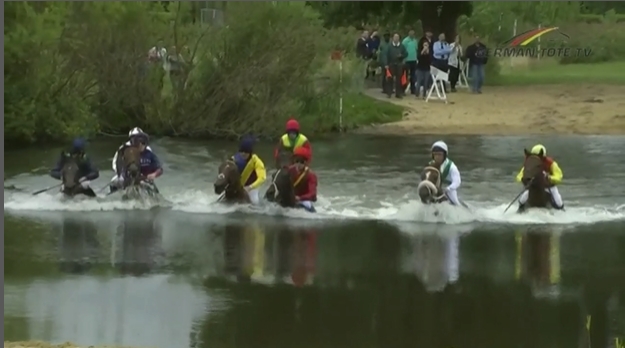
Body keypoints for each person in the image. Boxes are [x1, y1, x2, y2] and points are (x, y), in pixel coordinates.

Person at [109, 127, 163, 193]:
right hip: (126, 175)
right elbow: (115, 163)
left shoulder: (147, 149)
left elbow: (155, 165)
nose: (139, 142)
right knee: (113, 182)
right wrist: (120, 173)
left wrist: (152, 174)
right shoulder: (123, 148)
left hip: (143, 176)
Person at [515, 144, 564, 210]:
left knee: (559, 202)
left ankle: (561, 211)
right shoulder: (530, 164)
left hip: (549, 187)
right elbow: (519, 175)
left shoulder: (551, 164)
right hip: (533, 187)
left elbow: (559, 176)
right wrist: (522, 179)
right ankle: (520, 209)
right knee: (522, 199)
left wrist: (549, 178)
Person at [233, 136, 266, 205]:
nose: (243, 154)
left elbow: (262, 178)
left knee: (255, 202)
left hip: (251, 188)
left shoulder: (257, 162)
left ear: (250, 152)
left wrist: (250, 187)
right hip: (238, 186)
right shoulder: (234, 159)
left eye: (246, 152)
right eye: (241, 151)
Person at [428, 140, 462, 206]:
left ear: (444, 155)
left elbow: (457, 181)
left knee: (455, 202)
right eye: (435, 154)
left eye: (440, 155)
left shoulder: (451, 167)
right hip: (435, 188)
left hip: (449, 190)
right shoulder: (430, 165)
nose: (437, 157)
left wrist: (449, 188)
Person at [288, 146, 318, 213]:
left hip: (303, 200)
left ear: (306, 162)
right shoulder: (289, 171)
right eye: (296, 161)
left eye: (301, 162)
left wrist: (300, 198)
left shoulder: (311, 175)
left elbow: (312, 193)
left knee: (307, 205)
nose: (298, 164)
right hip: (290, 197)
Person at [384, 33, 408, 99]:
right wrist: (386, 64)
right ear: (393, 38)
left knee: (399, 79)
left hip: (399, 64)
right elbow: (386, 55)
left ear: (399, 38)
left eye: (397, 37)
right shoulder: (389, 46)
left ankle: (398, 93)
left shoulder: (402, 46)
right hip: (391, 64)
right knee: (390, 79)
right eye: (395, 37)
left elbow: (406, 54)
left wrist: (401, 56)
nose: (396, 38)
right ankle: (389, 93)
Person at [402, 29, 418, 95]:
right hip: (407, 60)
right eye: (411, 33)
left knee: (413, 75)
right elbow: (403, 50)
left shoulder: (415, 41)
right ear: (408, 33)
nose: (412, 34)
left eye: (413, 33)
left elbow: (416, 49)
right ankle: (403, 89)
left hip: (414, 60)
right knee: (405, 75)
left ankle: (413, 89)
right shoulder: (405, 41)